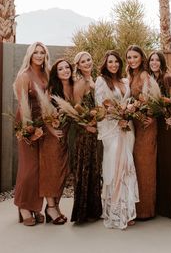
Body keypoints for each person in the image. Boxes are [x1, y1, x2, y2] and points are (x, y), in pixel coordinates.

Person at [95, 50, 139, 229]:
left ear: (120, 64)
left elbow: (129, 103)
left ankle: (127, 210)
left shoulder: (125, 81)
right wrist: (116, 118)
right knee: (115, 168)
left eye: (116, 62)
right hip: (112, 131)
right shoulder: (101, 81)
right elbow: (100, 106)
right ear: (105, 64)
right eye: (110, 62)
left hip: (127, 130)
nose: (113, 65)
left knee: (127, 167)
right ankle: (115, 211)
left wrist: (129, 112)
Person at [13, 42, 50, 226]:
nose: (39, 55)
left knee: (41, 168)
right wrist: (29, 130)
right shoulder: (24, 75)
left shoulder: (46, 73)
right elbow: (22, 104)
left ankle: (36, 207)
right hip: (27, 123)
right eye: (35, 52)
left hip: (43, 124)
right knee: (30, 167)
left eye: (42, 52)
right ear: (30, 54)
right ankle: (23, 206)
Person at [148, 50, 171, 219]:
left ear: (162, 63)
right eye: (151, 60)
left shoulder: (167, 78)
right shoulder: (151, 80)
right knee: (161, 164)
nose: (154, 62)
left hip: (170, 126)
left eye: (157, 60)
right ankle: (162, 207)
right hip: (159, 127)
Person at [126, 44, 159, 220]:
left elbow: (152, 98)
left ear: (142, 58)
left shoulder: (145, 75)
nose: (132, 60)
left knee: (144, 165)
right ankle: (137, 207)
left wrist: (149, 115)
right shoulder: (132, 75)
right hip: (136, 125)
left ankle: (146, 210)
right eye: (129, 58)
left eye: (135, 57)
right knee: (137, 165)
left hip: (146, 125)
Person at [39, 59, 73, 224]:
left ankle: (56, 205)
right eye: (61, 69)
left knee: (61, 172)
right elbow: (45, 112)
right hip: (52, 137)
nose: (65, 70)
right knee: (51, 172)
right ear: (56, 73)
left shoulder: (73, 87)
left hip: (65, 136)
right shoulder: (52, 89)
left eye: (67, 67)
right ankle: (50, 207)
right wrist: (52, 130)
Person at [70, 51, 103, 223]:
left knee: (94, 169)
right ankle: (83, 212)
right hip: (85, 133)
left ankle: (94, 210)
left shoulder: (94, 79)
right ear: (78, 65)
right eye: (83, 61)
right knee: (85, 169)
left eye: (89, 59)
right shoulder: (80, 83)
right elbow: (75, 108)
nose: (87, 63)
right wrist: (87, 125)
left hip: (95, 129)